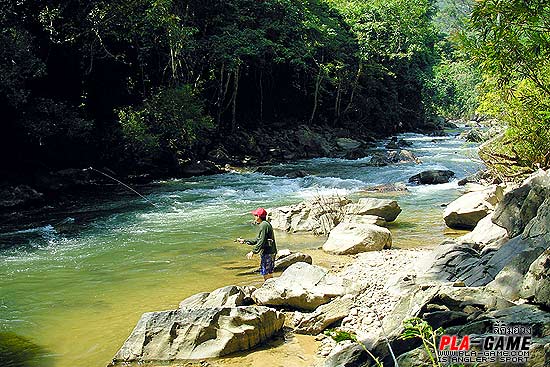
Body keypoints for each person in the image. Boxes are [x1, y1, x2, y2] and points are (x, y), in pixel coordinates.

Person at [236, 207, 277, 280]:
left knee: (266, 273)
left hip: (268, 253)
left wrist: (253, 252)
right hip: (269, 252)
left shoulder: (263, 225)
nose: (254, 217)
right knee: (268, 272)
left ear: (258, 216)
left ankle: (269, 286)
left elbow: (261, 241)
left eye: (255, 215)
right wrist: (245, 241)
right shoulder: (265, 224)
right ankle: (269, 285)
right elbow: (258, 239)